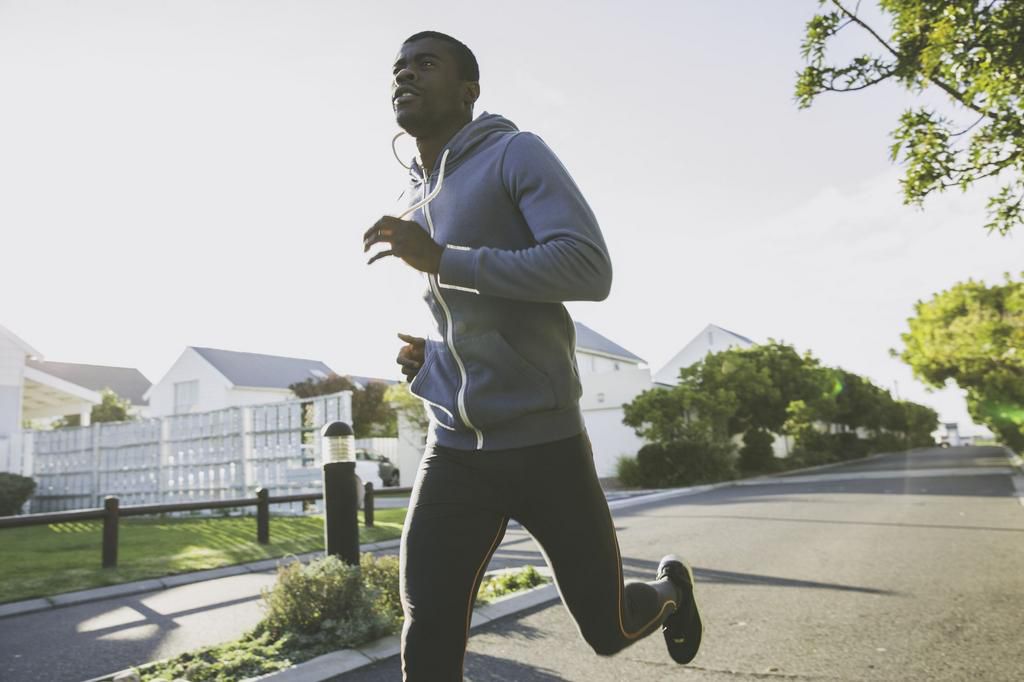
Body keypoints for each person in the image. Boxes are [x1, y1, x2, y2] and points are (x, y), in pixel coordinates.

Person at [363, 30, 702, 680]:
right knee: (427, 630)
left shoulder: (516, 154)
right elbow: (471, 320)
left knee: (609, 627)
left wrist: (441, 259)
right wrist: (431, 363)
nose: (405, 75)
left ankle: (671, 594)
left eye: (425, 64)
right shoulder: (416, 196)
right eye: (398, 68)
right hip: (455, 450)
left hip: (544, 444)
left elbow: (587, 267)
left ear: (469, 91)